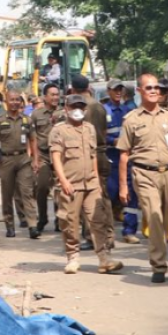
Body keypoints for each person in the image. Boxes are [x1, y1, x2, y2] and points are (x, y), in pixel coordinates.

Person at [117, 74, 168, 284]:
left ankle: (159, 253)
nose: (154, 91)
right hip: (144, 174)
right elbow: (124, 154)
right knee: (154, 215)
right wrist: (123, 187)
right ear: (139, 91)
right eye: (149, 88)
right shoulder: (132, 119)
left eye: (157, 87)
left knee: (165, 218)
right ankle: (159, 265)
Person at [49, 93, 123, 275]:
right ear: (66, 109)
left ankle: (104, 258)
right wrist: (63, 181)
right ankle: (72, 257)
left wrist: (96, 179)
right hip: (70, 184)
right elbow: (56, 158)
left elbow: (93, 155)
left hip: (91, 183)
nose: (77, 111)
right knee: (70, 222)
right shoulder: (59, 131)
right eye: (73, 107)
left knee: (98, 220)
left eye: (80, 107)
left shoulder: (89, 128)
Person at [71, 73, 117, 253]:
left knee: (86, 196)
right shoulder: (100, 107)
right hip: (102, 152)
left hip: (85, 155)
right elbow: (105, 132)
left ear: (73, 89)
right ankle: (110, 235)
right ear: (88, 86)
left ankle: (91, 236)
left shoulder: (78, 108)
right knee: (103, 196)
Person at [0, 90, 40, 239]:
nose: (14, 102)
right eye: (11, 100)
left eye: (17, 100)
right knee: (7, 194)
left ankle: (32, 225)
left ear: (21, 102)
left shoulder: (27, 120)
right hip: (6, 161)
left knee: (27, 192)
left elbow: (33, 140)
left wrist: (35, 159)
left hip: (23, 159)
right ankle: (9, 225)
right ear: (6, 101)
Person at [102, 79, 140, 243]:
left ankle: (129, 230)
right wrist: (112, 141)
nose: (118, 92)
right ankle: (104, 230)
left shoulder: (129, 111)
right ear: (108, 91)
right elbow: (97, 134)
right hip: (111, 158)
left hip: (127, 157)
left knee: (131, 195)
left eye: (120, 90)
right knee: (110, 193)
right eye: (115, 90)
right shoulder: (103, 111)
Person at [30, 84, 61, 233]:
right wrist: (34, 158)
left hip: (61, 156)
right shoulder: (37, 114)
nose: (55, 97)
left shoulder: (64, 113)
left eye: (57, 94)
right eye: (52, 95)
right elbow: (33, 137)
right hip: (43, 155)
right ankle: (42, 218)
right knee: (41, 187)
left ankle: (60, 219)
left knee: (60, 190)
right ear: (45, 97)